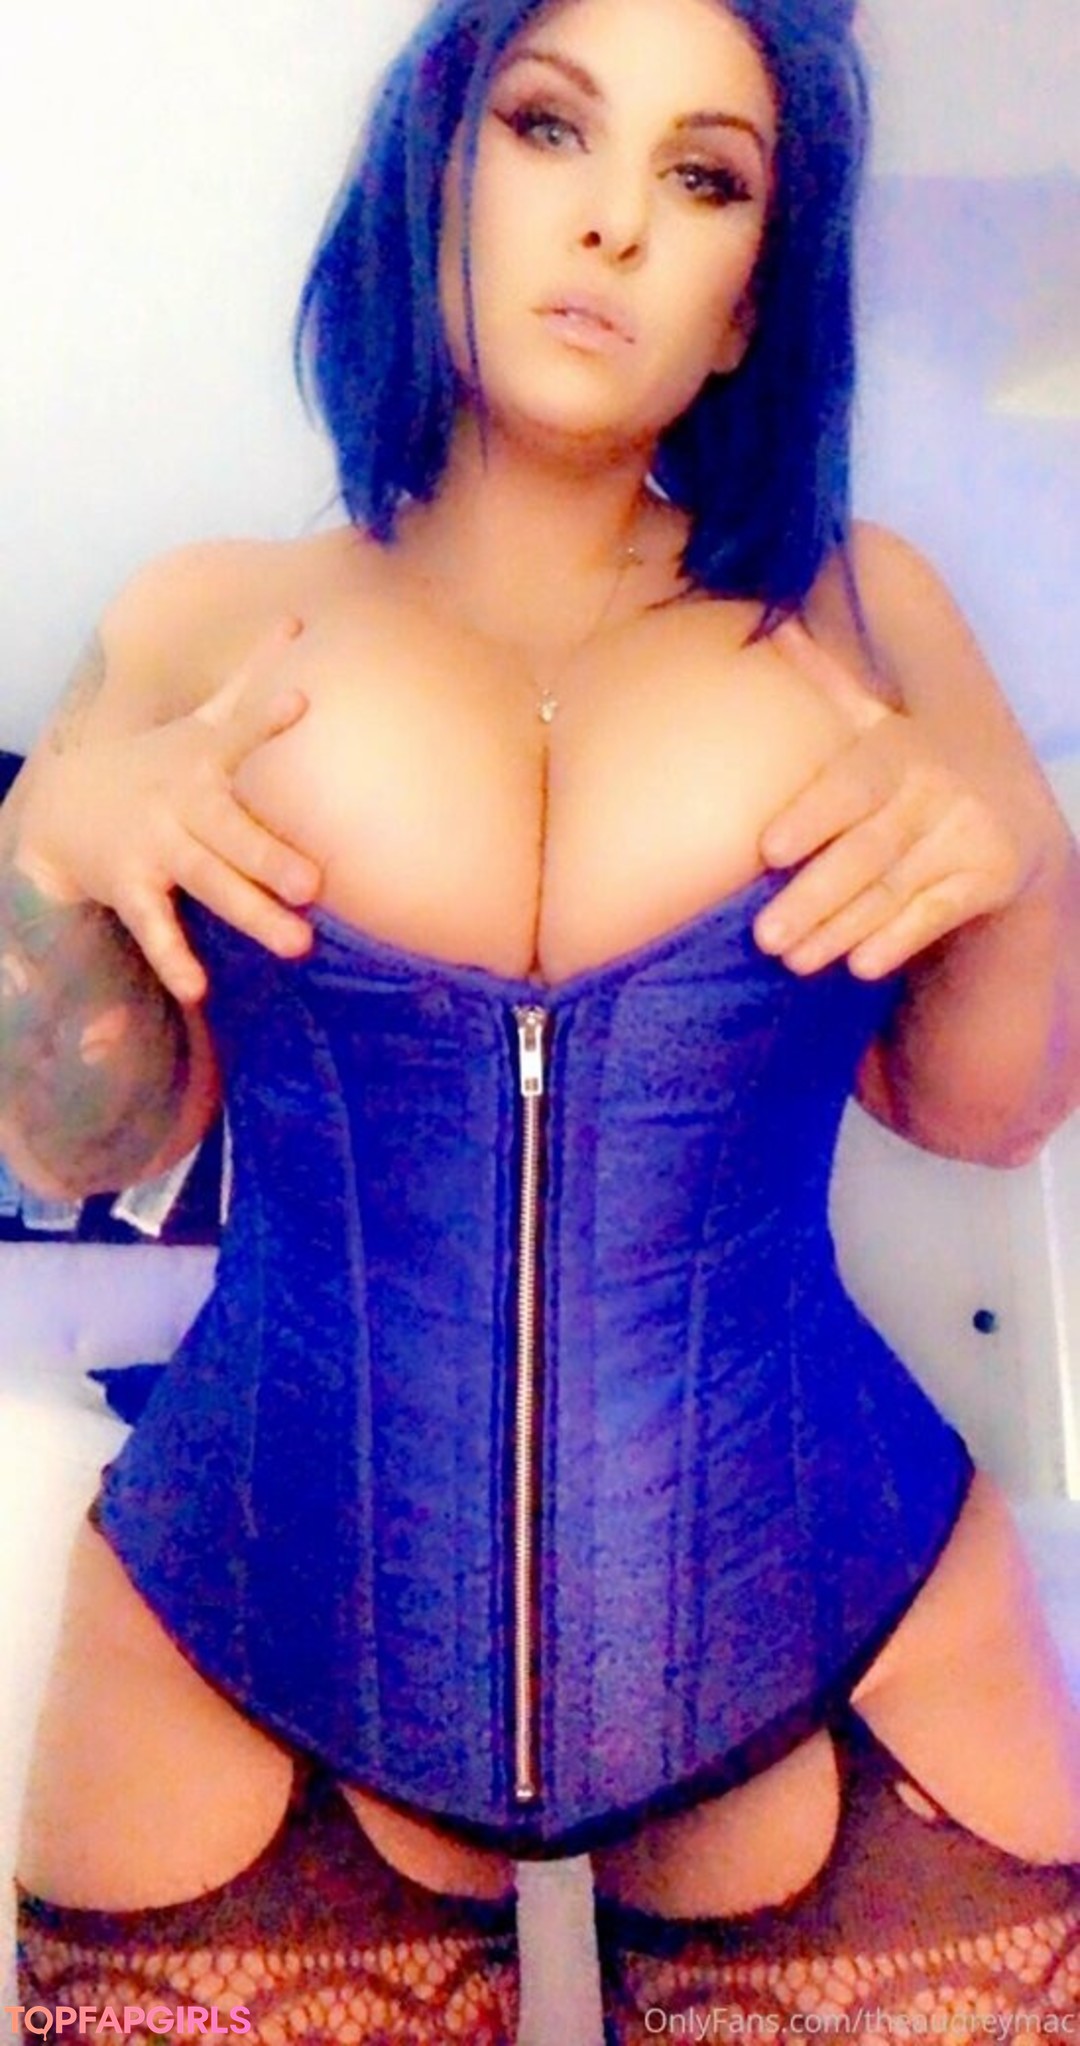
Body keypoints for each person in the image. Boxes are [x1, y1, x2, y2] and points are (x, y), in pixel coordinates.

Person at [3, 0, 1079, 2037]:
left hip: (843, 1632)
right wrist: (43, 853)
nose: (612, 224)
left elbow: (982, 1107)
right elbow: (85, 1137)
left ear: (749, 300)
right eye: (550, 128)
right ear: (442, 170)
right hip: (243, 1639)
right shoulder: (197, 617)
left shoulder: (865, 609)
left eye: (703, 176)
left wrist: (1025, 852)